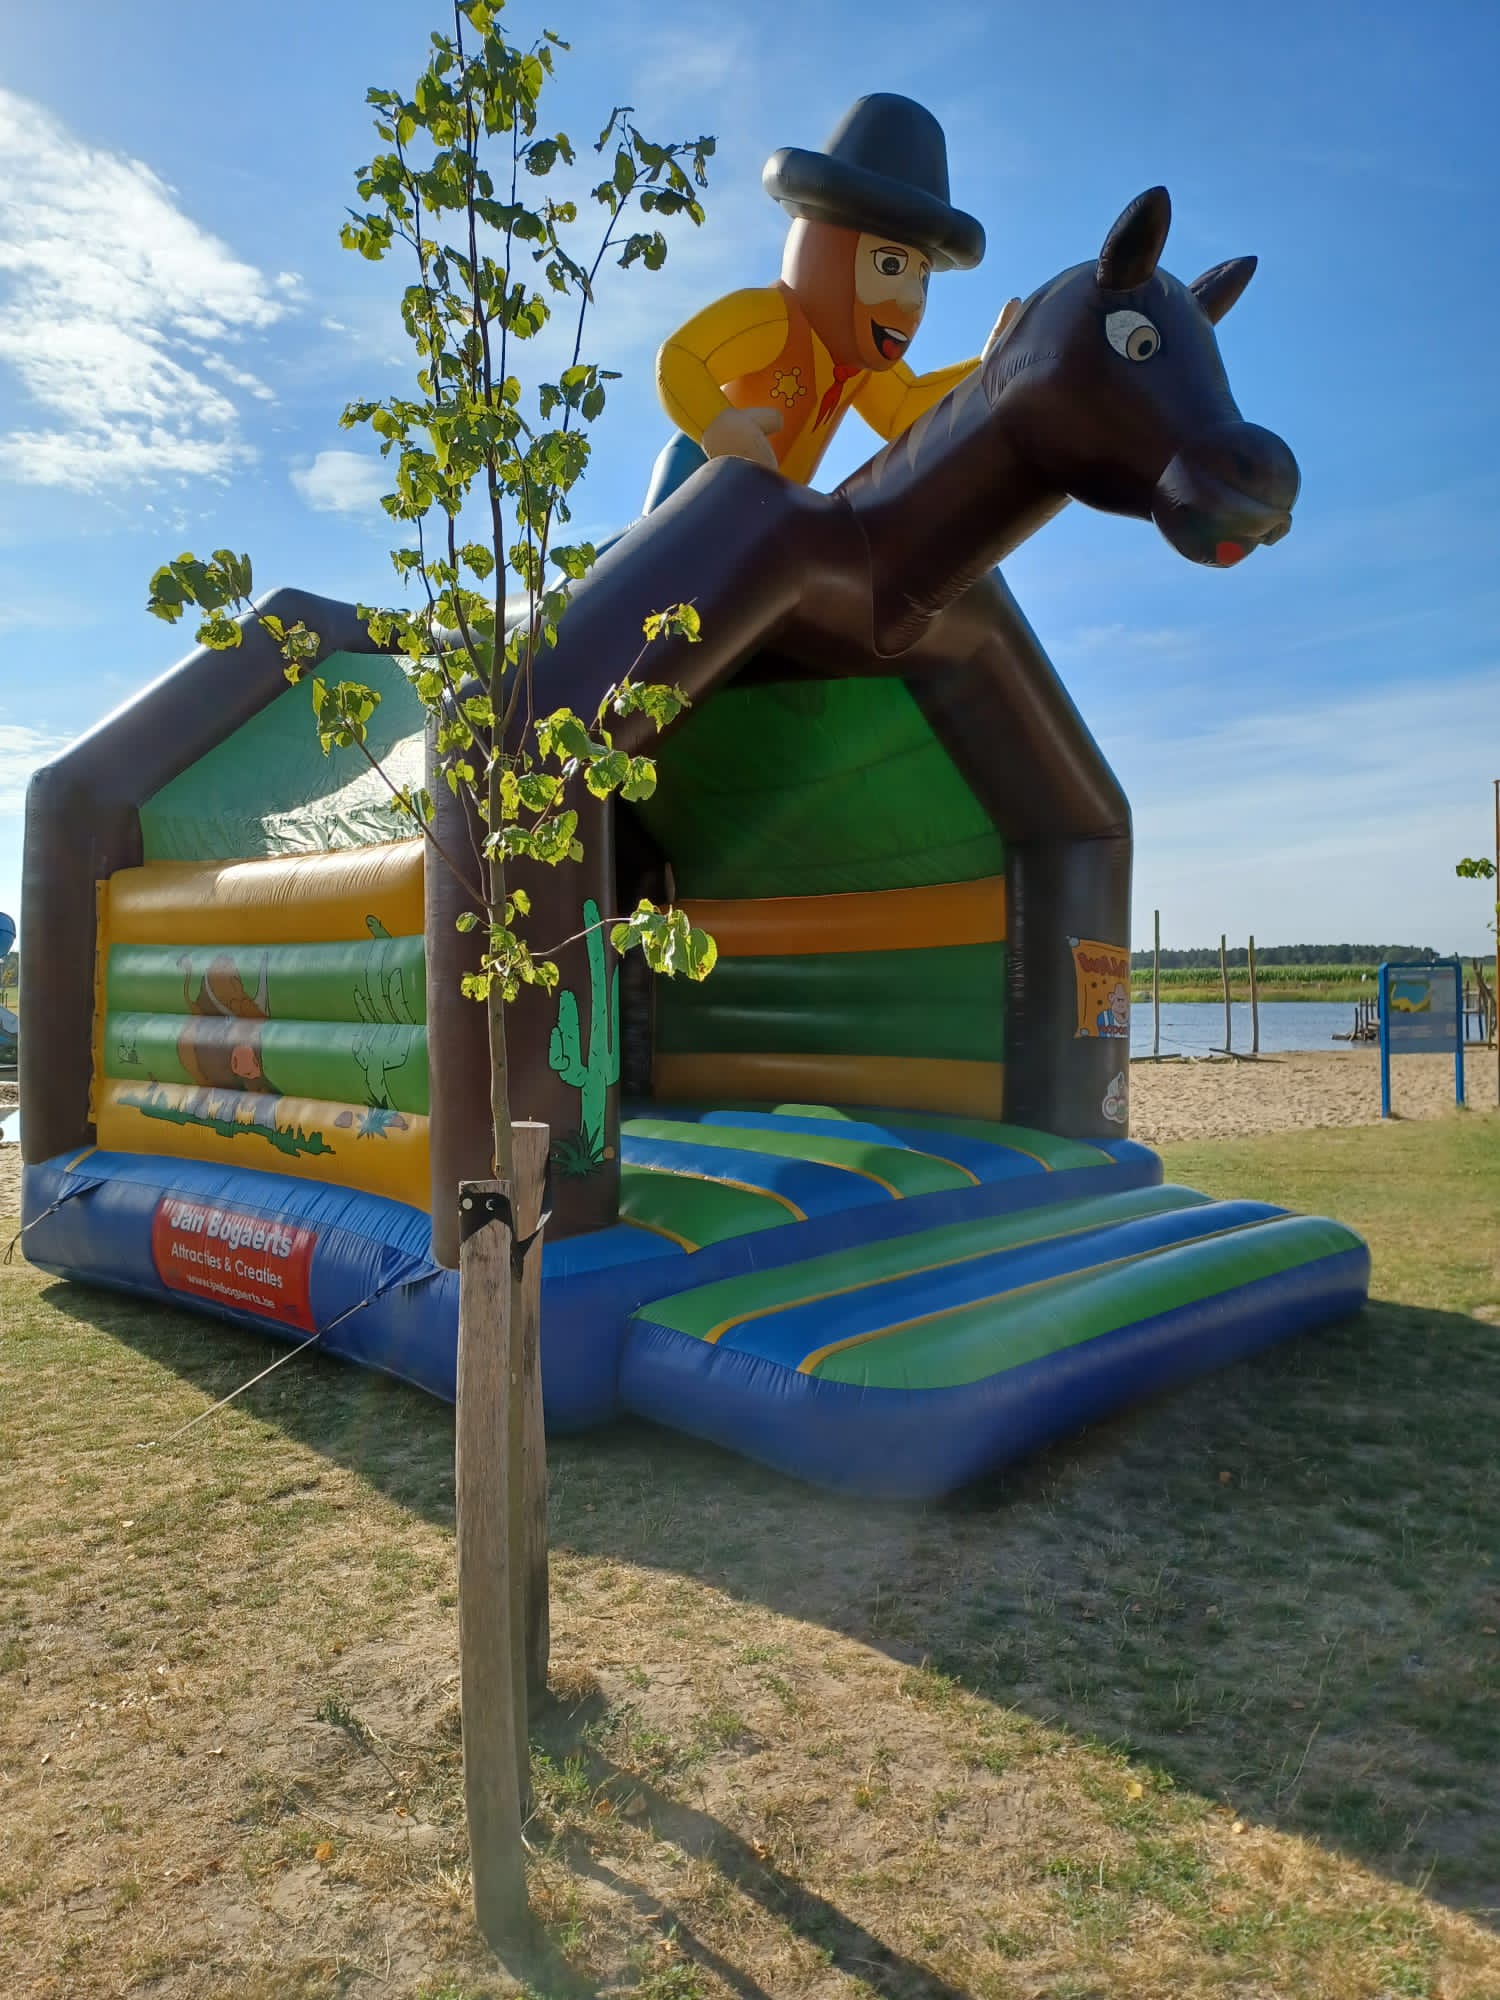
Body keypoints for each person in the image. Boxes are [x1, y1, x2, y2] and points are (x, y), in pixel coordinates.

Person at [647, 93, 1014, 509]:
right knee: (656, 545)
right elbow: (679, 359)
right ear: (829, 247)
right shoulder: (774, 319)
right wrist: (718, 424)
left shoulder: (860, 367)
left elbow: (904, 408)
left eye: (922, 276)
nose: (913, 300)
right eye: (890, 265)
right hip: (698, 469)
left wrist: (989, 367)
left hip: (771, 504)